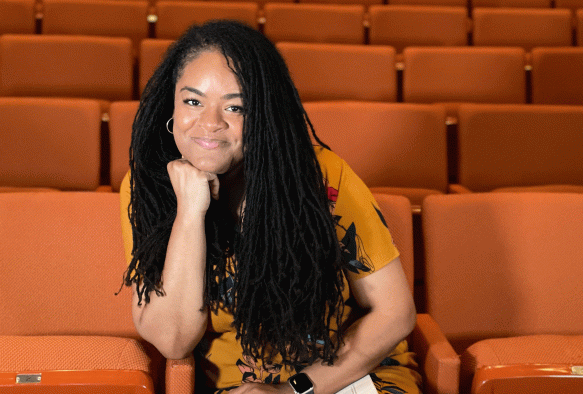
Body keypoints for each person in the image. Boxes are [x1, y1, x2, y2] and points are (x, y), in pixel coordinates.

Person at [120, 19, 419, 394]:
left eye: (236, 108)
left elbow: (395, 313)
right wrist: (190, 212)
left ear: (263, 115)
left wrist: (292, 391)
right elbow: (173, 340)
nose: (209, 123)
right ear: (173, 104)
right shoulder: (146, 187)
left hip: (347, 377)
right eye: (193, 101)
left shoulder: (322, 176)